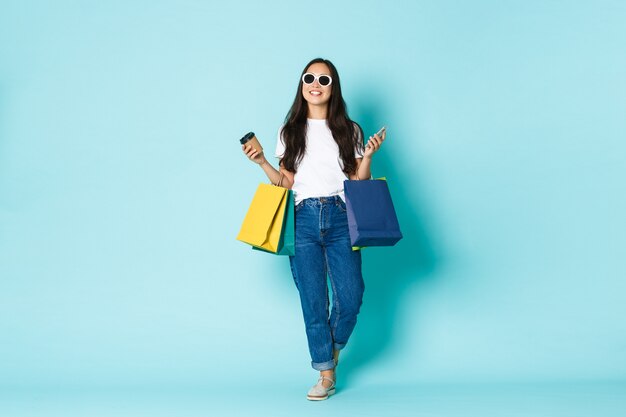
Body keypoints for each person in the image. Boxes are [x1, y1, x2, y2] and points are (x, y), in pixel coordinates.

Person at [242, 58, 386, 400]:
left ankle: (330, 352)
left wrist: (367, 157)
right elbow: (285, 182)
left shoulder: (349, 130)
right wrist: (262, 161)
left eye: (324, 78)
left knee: (351, 297)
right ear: (302, 85)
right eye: (310, 77)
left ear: (333, 86)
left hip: (340, 216)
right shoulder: (288, 131)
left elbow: (357, 182)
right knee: (313, 301)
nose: (316, 83)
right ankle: (325, 373)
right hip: (303, 217)